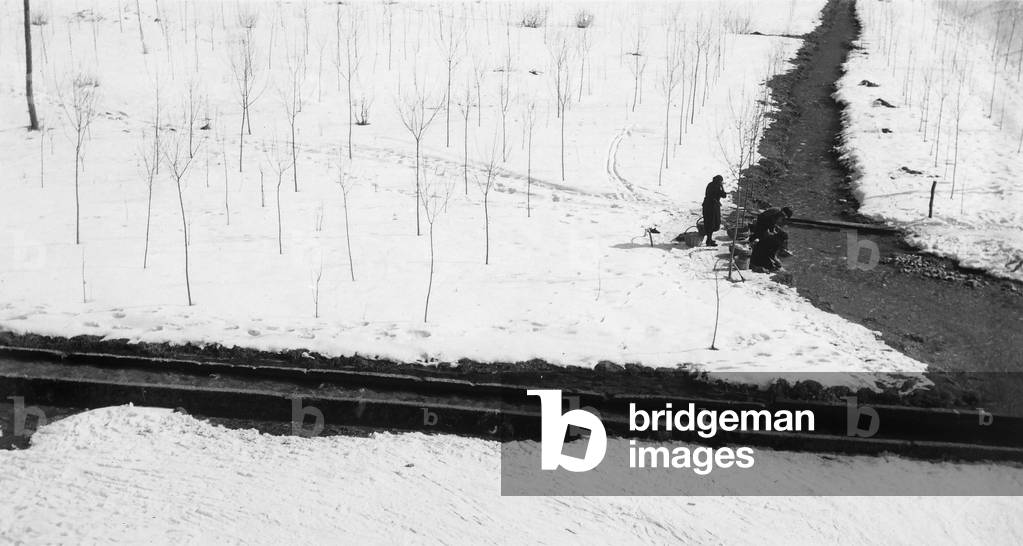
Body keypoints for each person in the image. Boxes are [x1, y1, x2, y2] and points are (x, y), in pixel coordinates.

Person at [749, 206, 793, 272]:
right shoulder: (777, 212)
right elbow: (770, 221)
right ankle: (750, 241)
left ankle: (751, 241)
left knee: (760, 235)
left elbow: (773, 223)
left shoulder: (778, 211)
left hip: (765, 222)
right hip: (762, 221)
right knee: (760, 234)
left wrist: (773, 230)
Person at [701, 175, 727, 246]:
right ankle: (708, 241)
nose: (721, 183)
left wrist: (721, 187)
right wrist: (722, 187)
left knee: (711, 224)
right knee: (712, 224)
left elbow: (722, 195)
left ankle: (709, 240)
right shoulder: (716, 186)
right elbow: (723, 195)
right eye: (721, 181)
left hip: (709, 206)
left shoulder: (711, 184)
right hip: (711, 207)